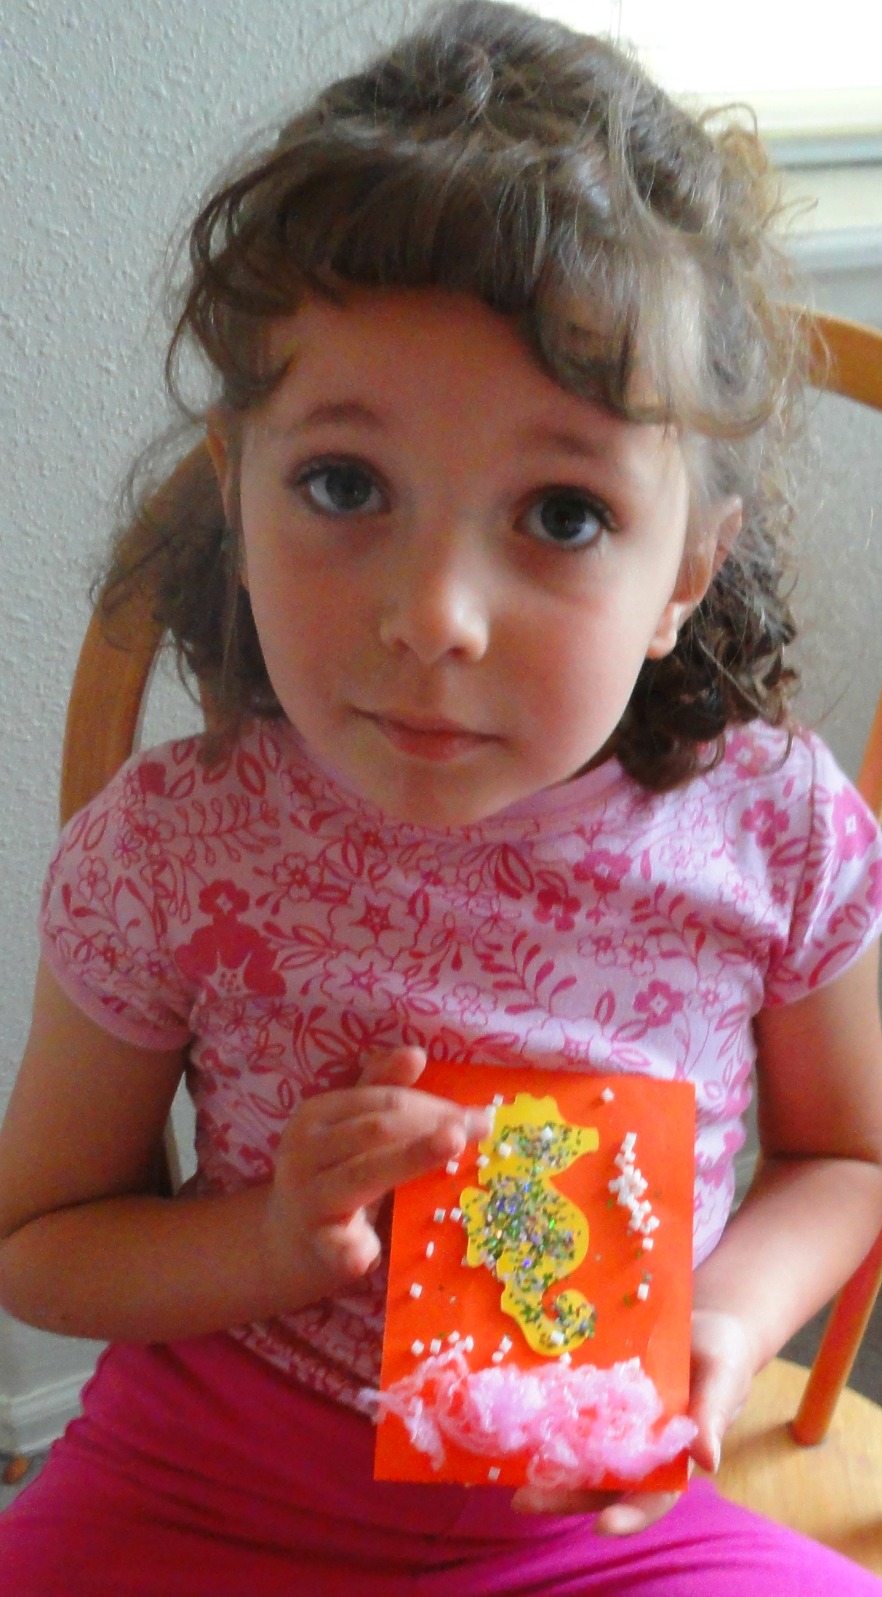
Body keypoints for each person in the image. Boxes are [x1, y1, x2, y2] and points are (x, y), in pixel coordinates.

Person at [1, 2, 881, 1591]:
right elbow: (41, 1244)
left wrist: (724, 1315)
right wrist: (270, 1244)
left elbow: (850, 1159)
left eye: (561, 512)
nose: (433, 616)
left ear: (686, 567)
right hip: (206, 1474)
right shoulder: (170, 848)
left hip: (600, 1517)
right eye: (344, 484)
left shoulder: (773, 830)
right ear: (238, 488)